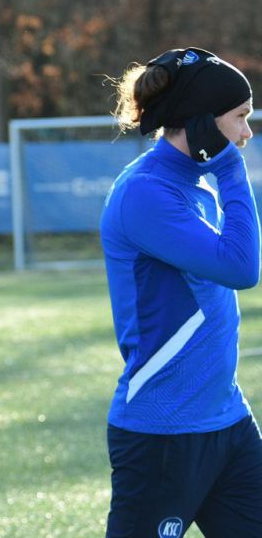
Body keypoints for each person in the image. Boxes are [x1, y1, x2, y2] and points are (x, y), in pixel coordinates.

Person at [100, 48, 262, 537]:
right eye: (239, 119)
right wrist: (231, 169)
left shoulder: (193, 183)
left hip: (227, 423)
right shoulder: (145, 193)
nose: (247, 133)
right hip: (162, 435)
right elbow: (241, 267)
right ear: (205, 122)